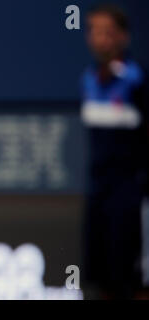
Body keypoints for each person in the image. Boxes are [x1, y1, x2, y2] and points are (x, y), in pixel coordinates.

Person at [80, 3, 149, 299]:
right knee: (101, 279)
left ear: (123, 37)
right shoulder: (87, 79)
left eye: (107, 32)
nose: (99, 39)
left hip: (132, 193)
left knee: (134, 281)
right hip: (98, 191)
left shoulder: (138, 80)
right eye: (94, 31)